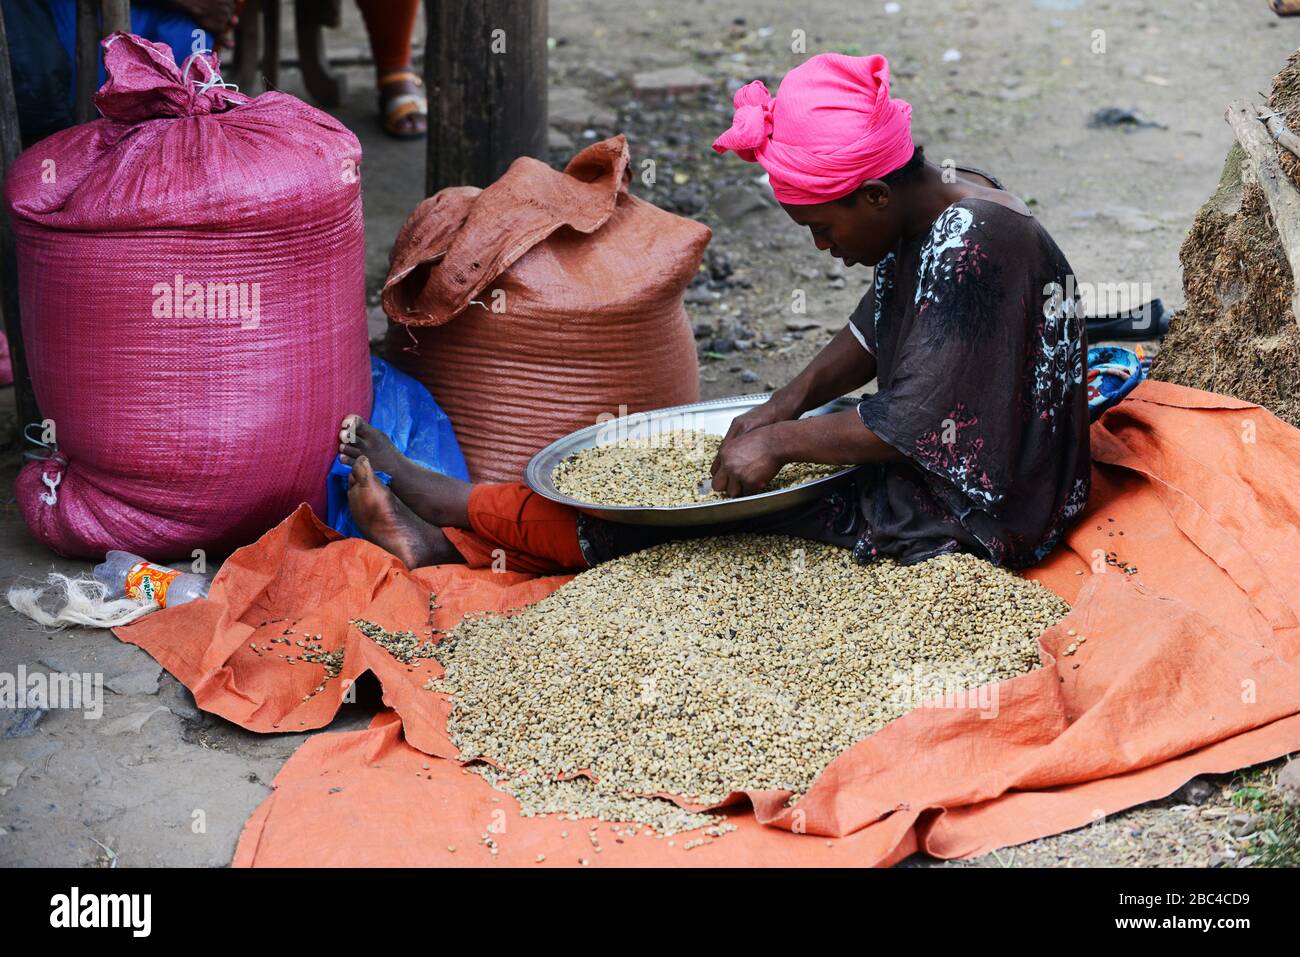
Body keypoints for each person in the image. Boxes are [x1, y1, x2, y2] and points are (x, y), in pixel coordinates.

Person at [338, 52, 1090, 574]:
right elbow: (879, 319)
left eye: (822, 230)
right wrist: (779, 406)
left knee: (695, 534)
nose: (825, 248)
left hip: (979, 515)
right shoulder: (945, 197)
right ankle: (467, 527)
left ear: (875, 197)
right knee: (723, 508)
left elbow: (916, 420)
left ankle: (459, 517)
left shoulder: (976, 244)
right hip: (942, 466)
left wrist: (783, 444)